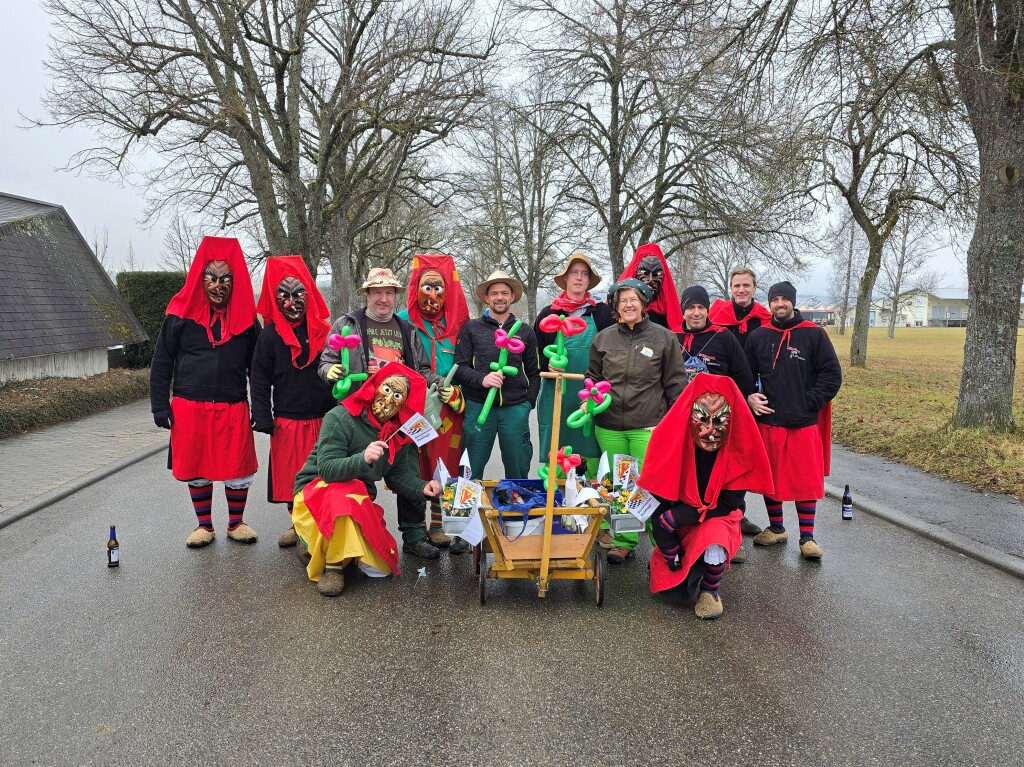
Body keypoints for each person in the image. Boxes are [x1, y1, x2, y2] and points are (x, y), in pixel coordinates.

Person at [317, 267, 449, 560]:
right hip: (360, 413)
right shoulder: (348, 323)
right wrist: (331, 371)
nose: (383, 298)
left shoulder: (407, 330)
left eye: (389, 293)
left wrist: (437, 382)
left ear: (396, 297)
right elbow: (325, 361)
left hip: (403, 415)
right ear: (367, 294)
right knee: (361, 471)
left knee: (408, 471)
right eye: (377, 292)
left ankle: (414, 535)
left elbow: (422, 370)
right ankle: (360, 533)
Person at [290, 363, 443, 596]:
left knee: (379, 568)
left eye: (398, 395)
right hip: (316, 490)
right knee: (346, 491)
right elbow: (328, 470)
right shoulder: (340, 416)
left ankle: (319, 545)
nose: (389, 399)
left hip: (357, 497)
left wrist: (424, 488)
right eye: (387, 389)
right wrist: (363, 459)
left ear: (404, 404)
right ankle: (333, 567)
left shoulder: (396, 433)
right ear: (374, 387)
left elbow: (399, 477)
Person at [150, 236, 261, 547]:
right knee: (197, 467)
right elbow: (161, 362)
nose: (218, 286)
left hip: (233, 405)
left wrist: (263, 408)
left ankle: (236, 522)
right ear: (200, 279)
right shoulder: (178, 317)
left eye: (226, 279)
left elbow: (259, 369)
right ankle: (204, 525)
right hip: (189, 405)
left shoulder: (248, 322)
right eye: (211, 278)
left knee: (237, 466)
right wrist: (159, 405)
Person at [639, 373, 775, 619]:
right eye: (702, 420)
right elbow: (657, 499)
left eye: (720, 421)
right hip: (678, 519)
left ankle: (710, 591)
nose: (710, 431)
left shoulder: (738, 453)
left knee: (716, 535)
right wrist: (668, 542)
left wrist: (679, 517)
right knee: (670, 578)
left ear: (731, 422)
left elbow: (728, 504)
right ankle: (672, 559)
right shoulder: (672, 445)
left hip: (713, 517)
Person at [586, 278, 686, 563]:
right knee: (619, 486)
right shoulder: (603, 338)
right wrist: (589, 396)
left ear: (643, 303)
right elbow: (593, 377)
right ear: (615, 307)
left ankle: (661, 543)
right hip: (609, 426)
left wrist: (671, 422)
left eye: (633, 299)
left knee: (649, 486)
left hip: (648, 425)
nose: (628, 305)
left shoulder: (664, 338)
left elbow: (675, 384)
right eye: (622, 301)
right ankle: (624, 541)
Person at [746, 281, 842, 560]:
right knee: (771, 478)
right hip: (770, 420)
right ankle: (777, 528)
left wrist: (810, 402)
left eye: (784, 300)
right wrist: (751, 395)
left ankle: (807, 537)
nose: (779, 304)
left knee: (803, 479)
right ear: (769, 304)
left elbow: (831, 375)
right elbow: (745, 373)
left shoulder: (814, 335)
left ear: (792, 302)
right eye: (774, 300)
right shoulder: (759, 335)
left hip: (803, 420)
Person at [250, 256, 337, 547]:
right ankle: (298, 525)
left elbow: (343, 366)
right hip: (288, 419)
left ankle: (325, 525)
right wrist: (262, 415)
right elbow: (259, 378)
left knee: (326, 473)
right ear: (275, 300)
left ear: (309, 295)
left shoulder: (325, 332)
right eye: (284, 296)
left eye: (298, 294)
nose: (292, 302)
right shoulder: (270, 336)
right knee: (294, 478)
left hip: (326, 416)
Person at [396, 254, 471, 553]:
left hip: (450, 410)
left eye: (438, 289)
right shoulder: (401, 323)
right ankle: (415, 530)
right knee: (413, 466)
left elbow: (470, 366)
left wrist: (459, 394)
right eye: (426, 288)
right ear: (415, 290)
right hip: (411, 408)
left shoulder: (459, 325)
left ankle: (440, 524)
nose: (432, 296)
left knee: (446, 465)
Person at [678, 284, 758, 563]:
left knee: (726, 481)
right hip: (682, 424)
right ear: (683, 310)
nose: (696, 312)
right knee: (689, 480)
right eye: (691, 307)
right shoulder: (672, 337)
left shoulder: (723, 338)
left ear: (707, 309)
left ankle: (728, 538)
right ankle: (691, 534)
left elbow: (743, 377)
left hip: (718, 424)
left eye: (701, 307)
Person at [453, 270, 540, 479]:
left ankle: (518, 508)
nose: (499, 297)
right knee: (470, 467)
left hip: (515, 408)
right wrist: (482, 379)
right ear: (486, 298)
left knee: (518, 465)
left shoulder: (525, 331)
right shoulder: (471, 329)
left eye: (504, 293)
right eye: (494, 293)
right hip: (479, 407)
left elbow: (534, 372)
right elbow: (460, 367)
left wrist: (528, 403)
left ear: (511, 297)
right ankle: (469, 508)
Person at [534, 254, 614, 479]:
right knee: (557, 449)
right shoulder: (549, 314)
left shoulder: (602, 313)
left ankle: (590, 503)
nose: (579, 278)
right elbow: (535, 355)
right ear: (566, 279)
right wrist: (547, 365)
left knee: (590, 453)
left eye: (584, 274)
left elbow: (612, 353)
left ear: (589, 281)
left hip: (590, 393)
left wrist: (598, 385)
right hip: (556, 392)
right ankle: (555, 504)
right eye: (574, 273)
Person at [708, 267, 773, 537]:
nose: (741, 290)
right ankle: (726, 512)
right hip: (721, 398)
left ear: (754, 288)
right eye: (736, 285)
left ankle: (738, 511)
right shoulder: (717, 319)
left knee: (742, 456)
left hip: (752, 395)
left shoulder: (765, 320)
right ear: (730, 288)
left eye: (746, 285)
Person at [614, 243, 684, 333]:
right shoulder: (623, 308)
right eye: (645, 274)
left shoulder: (664, 310)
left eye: (656, 275)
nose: (650, 280)